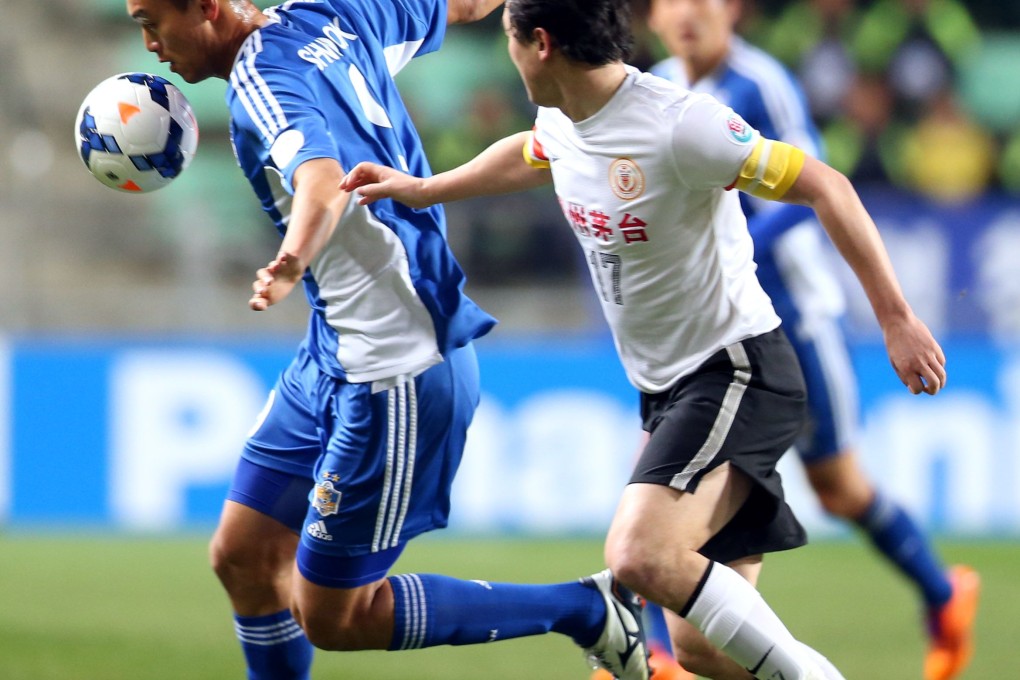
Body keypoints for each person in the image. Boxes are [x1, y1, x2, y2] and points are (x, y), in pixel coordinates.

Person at [341, 1, 951, 677]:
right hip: (666, 387)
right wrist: (425, 190)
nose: (506, 54)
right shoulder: (564, 117)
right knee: (701, 649)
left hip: (736, 371)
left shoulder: (681, 122)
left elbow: (826, 185)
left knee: (637, 555)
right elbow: (530, 153)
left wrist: (896, 318)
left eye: (509, 38)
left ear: (540, 43)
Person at [125, 2, 655, 679]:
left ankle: (587, 608)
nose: (148, 43)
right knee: (243, 555)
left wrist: (292, 257)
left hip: (397, 365)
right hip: (335, 347)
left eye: (152, 20)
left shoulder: (266, 79)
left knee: (337, 617)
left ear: (206, 7)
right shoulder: (331, 12)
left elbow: (318, 179)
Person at [643, 1, 980, 679]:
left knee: (839, 489)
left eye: (704, 0)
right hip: (705, 326)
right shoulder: (653, 87)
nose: (688, 14)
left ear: (732, 10)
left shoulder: (759, 83)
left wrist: (723, 248)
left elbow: (812, 183)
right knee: (657, 475)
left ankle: (945, 595)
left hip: (793, 315)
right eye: (671, 0)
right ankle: (655, 657)